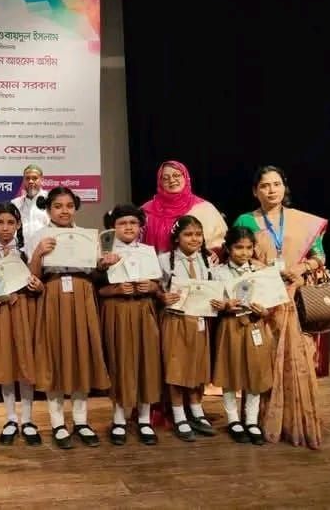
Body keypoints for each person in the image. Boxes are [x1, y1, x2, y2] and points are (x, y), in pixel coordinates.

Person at [234, 165, 326, 449]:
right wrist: (266, 270)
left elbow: (319, 255)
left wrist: (301, 268)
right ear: (255, 191)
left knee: (296, 360)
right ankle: (260, 420)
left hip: (293, 296)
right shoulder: (246, 220)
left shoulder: (302, 221)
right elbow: (239, 255)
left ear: (284, 187)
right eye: (264, 185)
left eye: (276, 184)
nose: (271, 190)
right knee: (264, 358)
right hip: (262, 299)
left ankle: (296, 421)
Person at [28, 187, 112, 449]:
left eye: (69, 206)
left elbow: (96, 272)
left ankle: (81, 421)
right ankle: (57, 423)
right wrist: (38, 253)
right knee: (54, 355)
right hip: (52, 294)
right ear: (48, 209)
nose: (64, 211)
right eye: (57, 206)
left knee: (81, 354)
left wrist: (102, 264)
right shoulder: (38, 236)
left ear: (75, 208)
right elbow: (32, 276)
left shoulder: (87, 236)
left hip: (82, 294)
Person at [97, 204, 162, 446]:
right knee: (120, 362)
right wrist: (114, 288)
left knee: (147, 362)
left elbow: (159, 285)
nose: (128, 227)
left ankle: (144, 419)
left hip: (144, 309)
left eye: (133, 223)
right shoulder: (103, 254)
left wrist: (153, 287)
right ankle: (119, 419)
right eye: (122, 223)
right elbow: (95, 289)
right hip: (117, 310)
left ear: (140, 227)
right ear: (113, 227)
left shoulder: (148, 251)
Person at [0, 202, 44, 446]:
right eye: (0, 222)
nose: (5, 228)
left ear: (18, 225)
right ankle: (10, 418)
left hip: (22, 311)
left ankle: (27, 419)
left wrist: (38, 286)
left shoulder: (26, 252)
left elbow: (37, 283)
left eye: (10, 222)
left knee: (24, 365)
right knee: (5, 364)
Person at [210, 226, 274, 445]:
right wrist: (224, 305)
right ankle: (233, 419)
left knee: (255, 371)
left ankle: (251, 420)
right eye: (239, 247)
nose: (244, 252)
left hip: (254, 325)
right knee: (230, 371)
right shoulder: (218, 272)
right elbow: (212, 303)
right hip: (230, 325)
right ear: (228, 248)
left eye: (248, 248)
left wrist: (264, 311)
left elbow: (271, 302)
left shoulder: (259, 272)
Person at [158, 215, 216, 442]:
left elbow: (215, 288)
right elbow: (155, 288)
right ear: (177, 237)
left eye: (198, 234)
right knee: (177, 367)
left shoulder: (208, 260)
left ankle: (196, 410)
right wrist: (162, 296)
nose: (194, 239)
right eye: (188, 234)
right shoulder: (164, 260)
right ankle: (178, 414)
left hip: (199, 320)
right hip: (175, 321)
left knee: (197, 366)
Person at [142, 161, 227, 253]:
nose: (172, 180)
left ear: (185, 177)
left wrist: (213, 253)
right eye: (165, 178)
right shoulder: (147, 210)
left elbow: (221, 243)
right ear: (160, 182)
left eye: (176, 175)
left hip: (196, 261)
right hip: (152, 261)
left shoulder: (205, 208)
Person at [11, 164, 49, 241]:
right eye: (27, 178)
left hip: (46, 246)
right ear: (23, 181)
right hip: (22, 246)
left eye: (35, 178)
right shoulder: (15, 203)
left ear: (41, 180)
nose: (30, 181)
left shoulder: (51, 200)